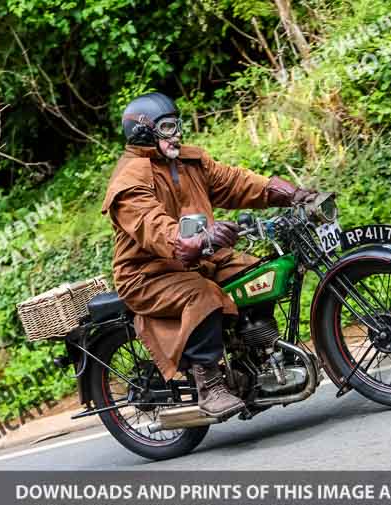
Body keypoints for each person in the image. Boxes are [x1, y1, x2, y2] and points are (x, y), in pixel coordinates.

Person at [101, 92, 315, 418]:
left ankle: (255, 355)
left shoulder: (188, 162)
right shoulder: (129, 181)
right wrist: (198, 238)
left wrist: (291, 194)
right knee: (204, 296)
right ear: (144, 132)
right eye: (168, 127)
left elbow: (236, 182)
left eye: (177, 125)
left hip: (202, 260)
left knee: (260, 274)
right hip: (148, 274)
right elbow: (154, 226)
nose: (177, 134)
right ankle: (210, 384)